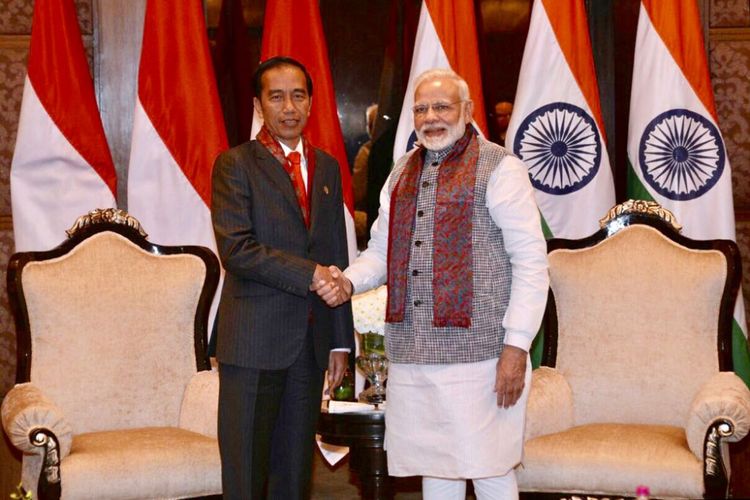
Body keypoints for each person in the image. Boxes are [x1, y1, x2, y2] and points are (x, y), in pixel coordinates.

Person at [314, 68, 549, 499]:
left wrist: (516, 348)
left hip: (482, 355)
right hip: (414, 354)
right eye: (421, 109)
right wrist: (346, 282)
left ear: (467, 110)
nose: (430, 117)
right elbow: (381, 253)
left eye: (441, 106)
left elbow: (532, 263)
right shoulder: (401, 171)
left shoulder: (501, 167)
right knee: (436, 469)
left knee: (489, 467)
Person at [211, 55, 354, 499]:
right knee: (247, 472)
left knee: (294, 476)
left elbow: (334, 255)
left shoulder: (328, 166)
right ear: (259, 105)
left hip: (310, 347)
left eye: (298, 95)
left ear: (311, 103)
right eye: (277, 97)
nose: (289, 106)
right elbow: (238, 249)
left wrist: (338, 339)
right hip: (253, 343)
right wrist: (310, 274)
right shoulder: (234, 165)